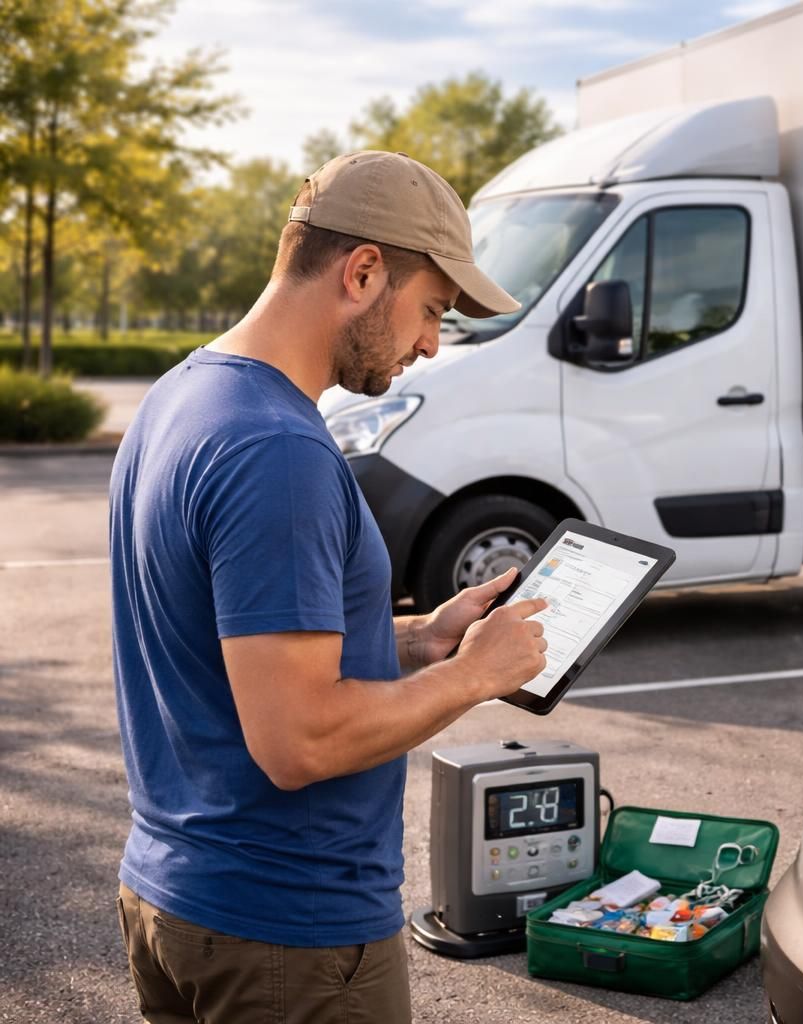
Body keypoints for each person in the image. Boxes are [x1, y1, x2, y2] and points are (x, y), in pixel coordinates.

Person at [109, 151, 546, 1023]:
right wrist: (471, 676)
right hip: (287, 935)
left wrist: (419, 643)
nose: (429, 343)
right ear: (362, 272)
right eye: (431, 311)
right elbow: (299, 741)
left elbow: (224, 645)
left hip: (177, 896)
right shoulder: (278, 450)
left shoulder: (182, 397)